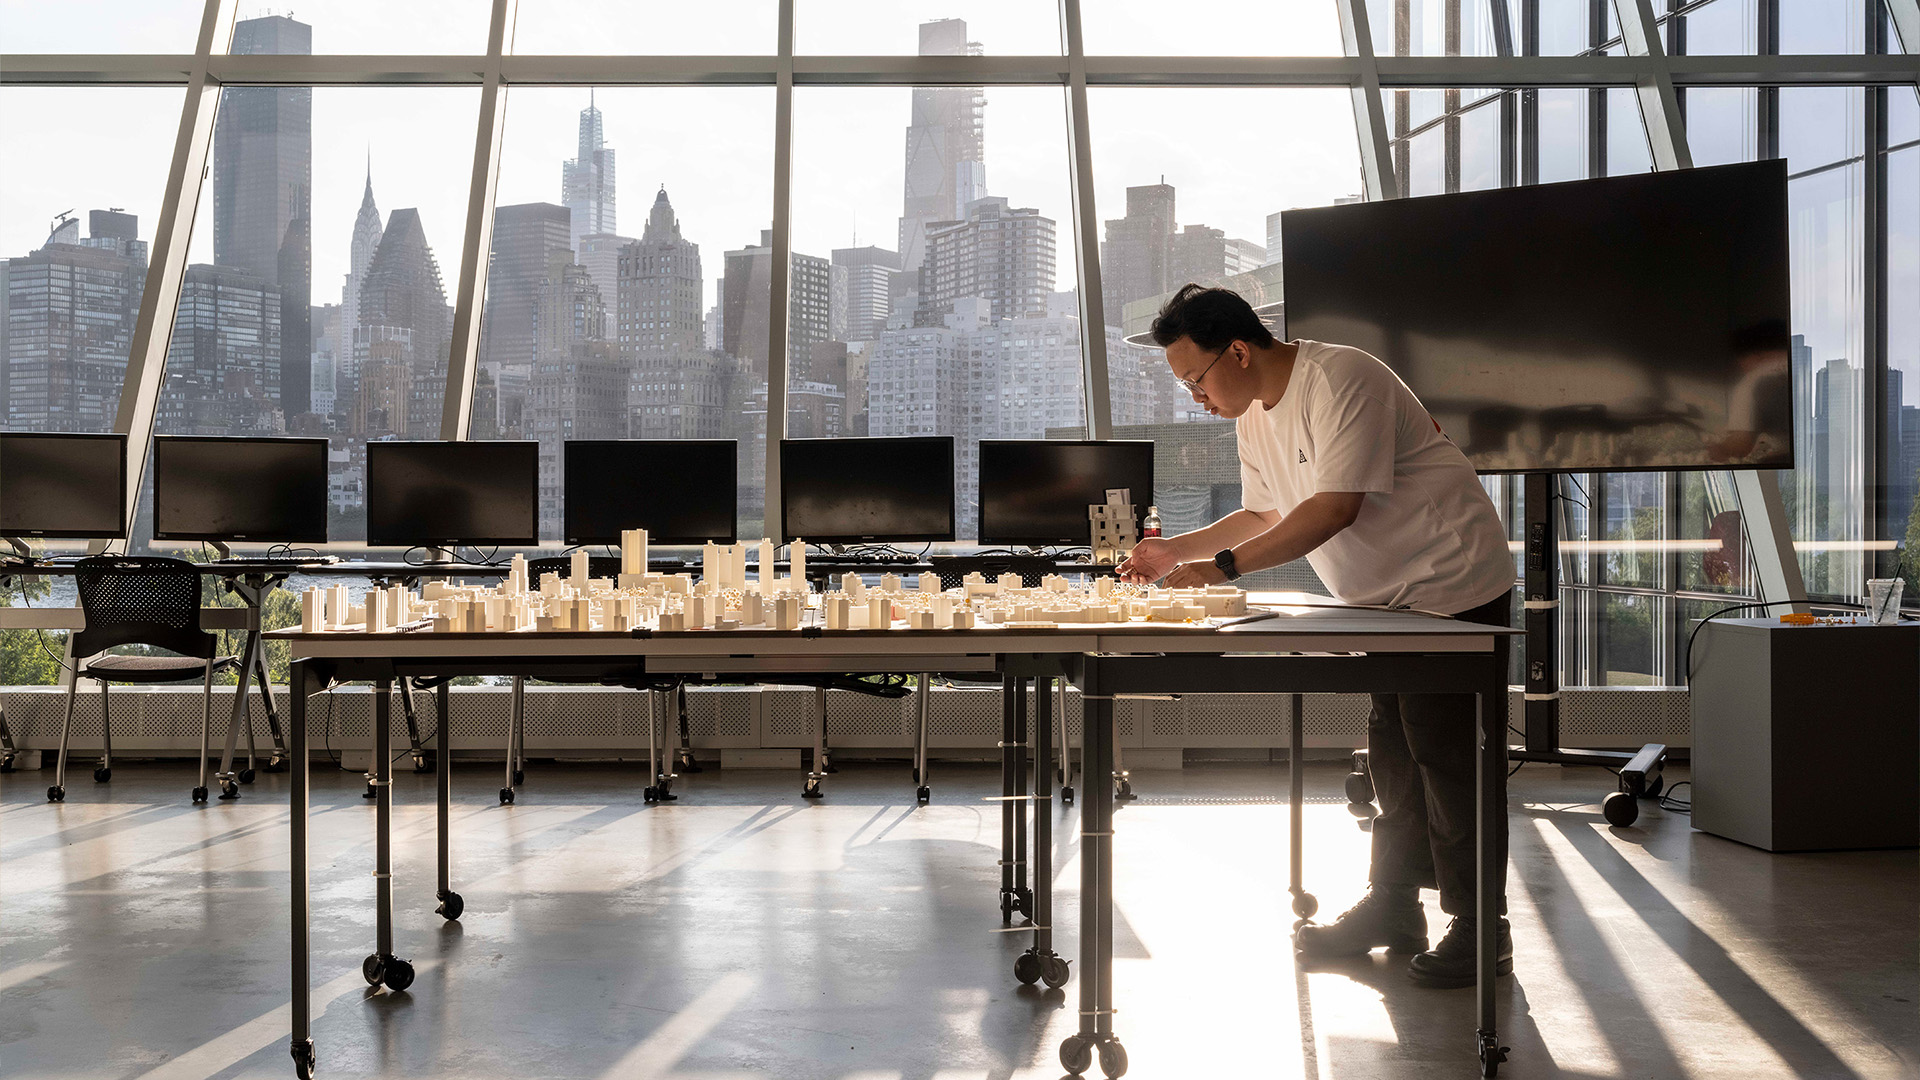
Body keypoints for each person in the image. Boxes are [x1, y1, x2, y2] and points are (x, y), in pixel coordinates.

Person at [1116, 284, 1516, 988]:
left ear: (1238, 351)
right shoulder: (1250, 412)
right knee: (1393, 754)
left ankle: (1483, 927)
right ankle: (1395, 907)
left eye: (1195, 379)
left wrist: (1220, 569)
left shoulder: (1342, 378)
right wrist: (1174, 551)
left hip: (1451, 584)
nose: (1194, 398)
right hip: (1381, 600)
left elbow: (1333, 507)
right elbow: (1262, 514)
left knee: (1447, 760)